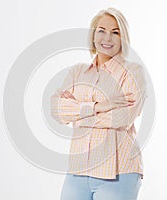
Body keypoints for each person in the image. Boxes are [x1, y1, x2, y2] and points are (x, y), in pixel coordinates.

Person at [51, 7, 147, 200]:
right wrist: (96, 107)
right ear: (93, 35)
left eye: (115, 32)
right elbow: (56, 110)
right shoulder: (77, 72)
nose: (107, 38)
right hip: (77, 172)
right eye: (102, 30)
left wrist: (78, 115)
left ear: (123, 38)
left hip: (119, 174)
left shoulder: (133, 72)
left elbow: (123, 118)